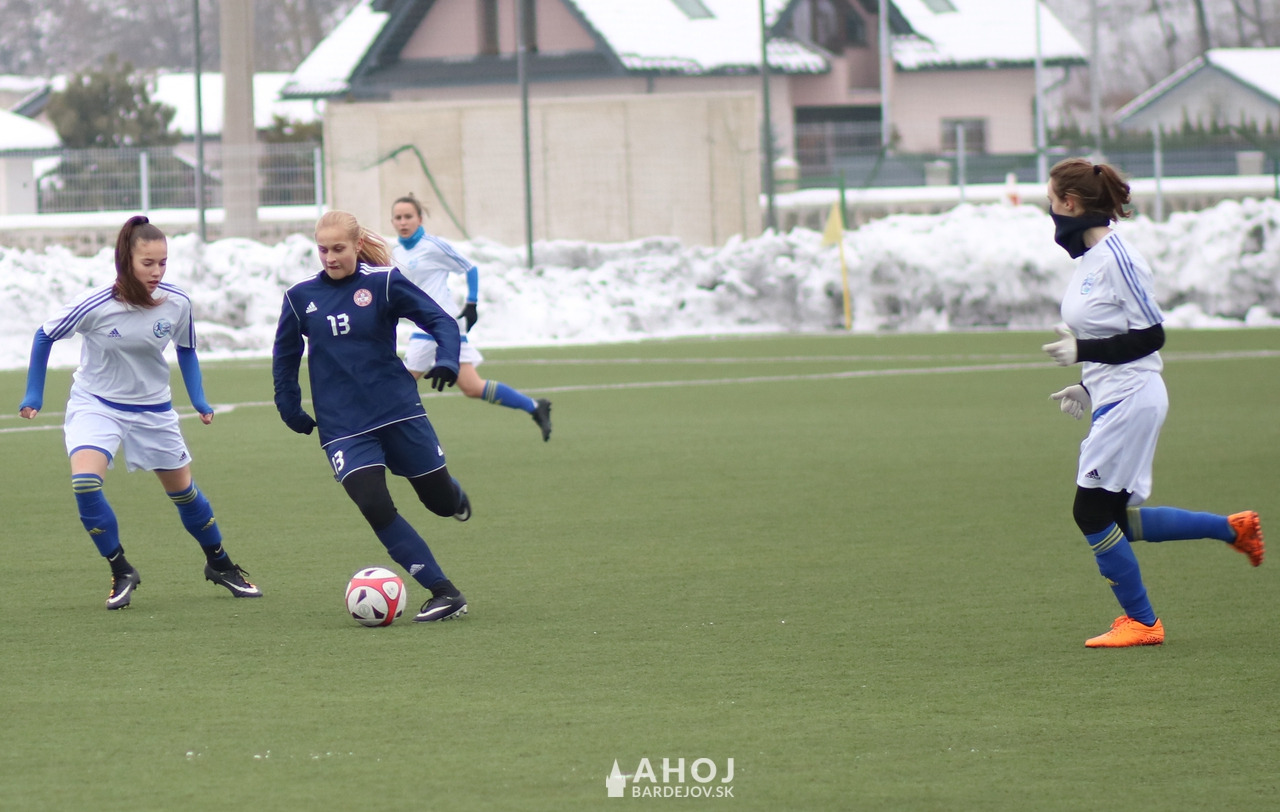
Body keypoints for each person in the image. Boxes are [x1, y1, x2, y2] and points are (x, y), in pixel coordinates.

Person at [1042, 158, 1264, 648]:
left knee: (1090, 513)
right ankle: (1233, 530)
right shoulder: (1089, 260)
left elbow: (1150, 337)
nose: (1049, 210)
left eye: (1051, 201)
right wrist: (1087, 385)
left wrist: (1082, 351)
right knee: (1114, 518)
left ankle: (1143, 623)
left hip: (1133, 399)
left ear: (1071, 204)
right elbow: (1112, 332)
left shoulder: (1118, 258)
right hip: (1114, 395)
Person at [18, 215, 261, 609]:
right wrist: (34, 394)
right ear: (125, 260)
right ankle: (121, 569)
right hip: (96, 404)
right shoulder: (96, 304)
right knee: (85, 484)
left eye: (163, 262)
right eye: (148, 263)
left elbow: (186, 350)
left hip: (153, 410)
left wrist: (199, 399)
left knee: (184, 493)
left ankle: (219, 564)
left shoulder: (177, 302)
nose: (157, 271)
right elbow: (45, 334)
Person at [273, 210, 471, 622]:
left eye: (338, 249)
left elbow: (440, 319)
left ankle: (452, 494)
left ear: (357, 245)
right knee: (374, 505)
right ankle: (444, 591)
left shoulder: (383, 283)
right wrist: (289, 407)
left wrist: (448, 360)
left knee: (439, 503)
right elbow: (285, 357)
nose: (330, 257)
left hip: (397, 411)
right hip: (343, 426)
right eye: (323, 250)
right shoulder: (300, 297)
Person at [390, 194, 553, 441]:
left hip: (438, 323)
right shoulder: (396, 252)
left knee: (403, 382)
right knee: (472, 387)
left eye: (408, 216)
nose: (403, 222)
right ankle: (534, 406)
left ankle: (386, 436)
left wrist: (472, 303)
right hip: (427, 324)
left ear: (420, 219)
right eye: (398, 217)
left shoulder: (433, 246)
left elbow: (469, 267)